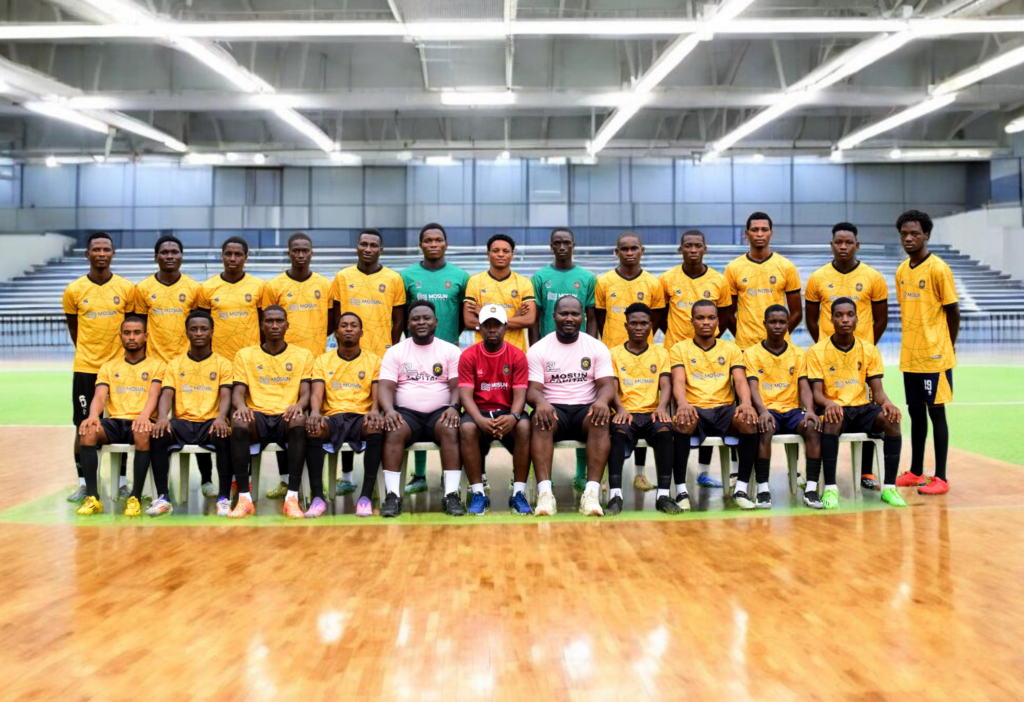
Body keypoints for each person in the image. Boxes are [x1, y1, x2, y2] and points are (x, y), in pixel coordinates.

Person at [805, 223, 889, 491]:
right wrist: (824, 346)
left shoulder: (873, 276)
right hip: (828, 359)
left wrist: (866, 348)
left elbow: (881, 319)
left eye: (848, 242)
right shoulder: (818, 277)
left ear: (857, 245)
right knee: (825, 412)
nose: (843, 246)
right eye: (838, 242)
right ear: (832, 245)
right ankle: (818, 473)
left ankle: (866, 472)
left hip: (861, 360)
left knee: (869, 407)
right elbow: (811, 319)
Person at [806, 298, 907, 509]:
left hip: (862, 408)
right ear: (831, 319)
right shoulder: (817, 351)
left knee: (892, 420)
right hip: (835, 408)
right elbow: (816, 394)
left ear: (857, 319)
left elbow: (877, 392)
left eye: (849, 315)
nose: (845, 319)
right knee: (832, 419)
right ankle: (831, 488)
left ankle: (889, 487)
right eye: (839, 315)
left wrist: (888, 403)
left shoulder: (869, 350)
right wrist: (829, 403)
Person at [134, 235, 214, 495]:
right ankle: (160, 486)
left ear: (181, 256)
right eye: (164, 252)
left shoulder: (194, 288)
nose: (170, 256)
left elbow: (201, 325)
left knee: (197, 418)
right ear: (156, 256)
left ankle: (206, 479)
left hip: (189, 365)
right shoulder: (143, 288)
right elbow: (138, 327)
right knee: (158, 425)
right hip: (155, 367)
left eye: (174, 252)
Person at [63, 232, 136, 502]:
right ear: (88, 254)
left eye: (106, 249)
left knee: (123, 423)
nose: (101, 254)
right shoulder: (74, 290)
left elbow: (132, 329)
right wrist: (89, 353)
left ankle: (122, 483)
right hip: (86, 368)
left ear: (113, 253)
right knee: (83, 426)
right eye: (96, 249)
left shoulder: (126, 289)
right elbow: (75, 330)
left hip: (120, 369)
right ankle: (84, 483)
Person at [526, 296, 616, 517]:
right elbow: (532, 390)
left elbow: (607, 385)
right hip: (553, 410)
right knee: (539, 419)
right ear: (553, 316)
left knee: (600, 419)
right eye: (563, 313)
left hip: (585, 409)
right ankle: (545, 494)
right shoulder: (539, 349)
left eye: (575, 314)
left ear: (582, 317)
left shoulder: (596, 347)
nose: (569, 318)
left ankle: (591, 494)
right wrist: (541, 402)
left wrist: (602, 401)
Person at [658, 229, 733, 489]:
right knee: (679, 412)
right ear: (680, 249)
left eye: (697, 245)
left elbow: (725, 316)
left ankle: (703, 471)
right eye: (688, 245)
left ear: (704, 248)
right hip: (676, 354)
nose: (692, 250)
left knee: (710, 403)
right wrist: (680, 341)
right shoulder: (667, 279)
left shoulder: (719, 281)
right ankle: (672, 475)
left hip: (709, 353)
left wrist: (708, 343)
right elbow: (659, 316)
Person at [262, 233, 335, 497]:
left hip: (316, 363)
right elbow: (269, 321)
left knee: (316, 423)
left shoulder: (325, 285)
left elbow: (331, 321)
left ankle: (318, 480)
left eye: (305, 250)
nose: (301, 254)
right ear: (289, 253)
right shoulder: (274, 285)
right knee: (285, 417)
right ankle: (286, 480)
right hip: (283, 365)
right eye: (296, 250)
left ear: (312, 252)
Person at [400, 223, 471, 495]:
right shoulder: (407, 276)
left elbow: (463, 318)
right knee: (416, 407)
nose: (433, 244)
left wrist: (448, 339)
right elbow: (402, 317)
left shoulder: (460, 276)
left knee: (446, 414)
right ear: (421, 244)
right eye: (428, 240)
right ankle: (419, 475)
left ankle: (446, 475)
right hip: (415, 353)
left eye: (438, 240)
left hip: (447, 353)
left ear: (445, 244)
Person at [893, 210, 959, 495]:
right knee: (915, 414)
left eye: (915, 234)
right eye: (904, 234)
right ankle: (916, 472)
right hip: (910, 356)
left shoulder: (938, 268)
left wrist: (948, 344)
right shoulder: (901, 271)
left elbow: (953, 310)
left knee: (937, 414)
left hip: (935, 356)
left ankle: (940, 477)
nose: (909, 238)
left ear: (926, 235)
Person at [377, 300, 463, 518]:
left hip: (441, 412)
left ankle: (451, 495)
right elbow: (385, 387)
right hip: (406, 414)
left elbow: (457, 387)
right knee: (394, 429)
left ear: (436, 322)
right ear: (408, 324)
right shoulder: (395, 352)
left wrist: (454, 407)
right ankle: (393, 496)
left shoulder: (451, 351)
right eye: (415, 319)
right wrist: (389, 410)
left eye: (426, 318)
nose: (421, 322)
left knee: (451, 428)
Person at [226, 306, 314, 519]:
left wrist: (299, 405)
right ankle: (244, 498)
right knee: (239, 421)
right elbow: (237, 393)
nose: (274, 325)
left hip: (286, 415)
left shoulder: (303, 355)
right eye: (269, 321)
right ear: (261, 325)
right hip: (258, 416)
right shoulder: (245, 355)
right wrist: (241, 407)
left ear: (287, 325)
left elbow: (306, 393)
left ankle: (292, 498)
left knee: (299, 420)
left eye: (279, 321)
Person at [669, 300, 757, 512]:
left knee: (748, 421)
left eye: (711, 318)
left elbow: (740, 381)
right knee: (682, 422)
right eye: (700, 318)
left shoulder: (731, 348)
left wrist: (746, 403)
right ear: (692, 321)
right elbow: (678, 382)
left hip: (723, 409)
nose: (706, 322)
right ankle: (681, 490)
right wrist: (682, 404)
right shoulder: (679, 349)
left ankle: (741, 489)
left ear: (718, 321)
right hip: (695, 409)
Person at [595, 231, 666, 492]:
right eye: (623, 249)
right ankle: (605, 474)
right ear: (617, 252)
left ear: (641, 250)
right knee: (612, 415)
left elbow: (656, 318)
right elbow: (599, 318)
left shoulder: (653, 283)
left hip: (642, 356)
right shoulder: (604, 281)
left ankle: (639, 474)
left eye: (633, 248)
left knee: (642, 410)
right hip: (612, 356)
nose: (629, 252)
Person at [529, 227, 597, 493]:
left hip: (578, 351)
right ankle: (545, 478)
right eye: (556, 242)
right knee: (543, 414)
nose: (561, 246)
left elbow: (592, 317)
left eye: (566, 242)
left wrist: (590, 346)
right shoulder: (540, 277)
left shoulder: (587, 278)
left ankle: (582, 474)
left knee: (586, 408)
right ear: (551, 246)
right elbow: (535, 318)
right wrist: (535, 348)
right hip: (549, 355)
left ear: (573, 244)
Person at [75, 315, 165, 517]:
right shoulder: (109, 367)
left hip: (141, 421)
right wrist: (93, 416)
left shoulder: (157, 366)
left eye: (136, 333)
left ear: (145, 336)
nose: (131, 337)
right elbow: (100, 396)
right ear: (120, 337)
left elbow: (154, 394)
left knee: (142, 432)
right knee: (88, 432)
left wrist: (144, 416)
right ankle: (93, 498)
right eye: (127, 333)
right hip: (115, 422)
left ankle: (135, 497)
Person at [150, 311, 233, 516]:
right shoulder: (175, 364)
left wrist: (221, 418)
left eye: (204, 329)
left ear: (212, 332)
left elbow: (226, 396)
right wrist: (162, 418)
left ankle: (224, 498)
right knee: (158, 434)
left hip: (210, 422)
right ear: (186, 333)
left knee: (224, 434)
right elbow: (167, 394)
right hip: (183, 423)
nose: (198, 333)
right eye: (193, 329)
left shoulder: (223, 363)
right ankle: (163, 498)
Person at [742, 305, 822, 510]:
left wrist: (810, 410)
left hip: (792, 411)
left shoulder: (798, 354)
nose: (777, 326)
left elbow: (804, 387)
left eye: (781, 322)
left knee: (813, 427)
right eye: (772, 322)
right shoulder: (751, 353)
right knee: (764, 427)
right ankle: (763, 489)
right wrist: (762, 411)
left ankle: (811, 489)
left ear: (788, 324)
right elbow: (752, 387)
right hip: (768, 410)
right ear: (765, 324)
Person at [306, 312, 385, 518]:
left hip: (361, 417)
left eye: (353, 325)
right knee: (313, 428)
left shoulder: (374, 360)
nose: (348, 329)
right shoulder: (322, 360)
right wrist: (314, 412)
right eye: (344, 325)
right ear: (336, 333)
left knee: (376, 425)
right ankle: (317, 498)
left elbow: (377, 395)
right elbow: (316, 393)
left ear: (361, 332)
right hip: (333, 417)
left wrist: (374, 411)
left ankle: (365, 497)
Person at [458, 304, 531, 516]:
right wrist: (480, 420)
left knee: (525, 426)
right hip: (479, 412)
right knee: (467, 429)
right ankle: (478, 493)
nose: (492, 329)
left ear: (505, 328)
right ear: (479, 328)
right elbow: (465, 396)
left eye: (496, 325)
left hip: (508, 411)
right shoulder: (468, 356)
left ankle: (518, 493)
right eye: (487, 325)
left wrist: (514, 416)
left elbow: (520, 395)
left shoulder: (517, 355)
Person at [608, 303, 679, 515]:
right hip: (626, 413)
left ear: (651, 325)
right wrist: (620, 409)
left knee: (665, 431)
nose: (638, 327)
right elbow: (612, 386)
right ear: (626, 325)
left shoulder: (661, 353)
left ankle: (663, 495)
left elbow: (666, 384)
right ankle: (615, 495)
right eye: (633, 323)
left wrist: (662, 407)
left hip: (651, 413)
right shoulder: (614, 353)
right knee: (617, 434)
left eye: (643, 323)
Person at [724, 212, 802, 350]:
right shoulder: (734, 268)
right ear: (747, 234)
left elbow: (796, 313)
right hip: (746, 348)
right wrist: (742, 337)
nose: (759, 234)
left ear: (771, 233)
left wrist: (778, 337)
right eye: (755, 230)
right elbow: (728, 313)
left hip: (778, 348)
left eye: (764, 230)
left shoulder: (786, 266)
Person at [331, 228, 406, 359]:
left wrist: (392, 350)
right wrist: (341, 346)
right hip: (349, 352)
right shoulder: (342, 277)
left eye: (373, 246)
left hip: (381, 352)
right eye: (364, 244)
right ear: (357, 247)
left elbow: (399, 320)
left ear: (380, 250)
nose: (368, 249)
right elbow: (337, 318)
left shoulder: (394, 278)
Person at [196, 236, 266, 363]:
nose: (232, 259)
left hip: (250, 358)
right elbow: (202, 326)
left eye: (238, 254)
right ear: (222, 256)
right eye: (228, 254)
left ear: (246, 258)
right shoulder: (207, 287)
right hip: (219, 359)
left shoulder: (259, 285)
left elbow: (263, 324)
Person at [464, 234, 536, 354]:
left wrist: (483, 314)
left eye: (505, 251)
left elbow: (529, 320)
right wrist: (515, 320)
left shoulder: (524, 283)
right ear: (488, 255)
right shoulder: (475, 282)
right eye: (496, 250)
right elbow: (470, 322)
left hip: (515, 352)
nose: (501, 254)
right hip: (483, 353)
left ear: (512, 255)